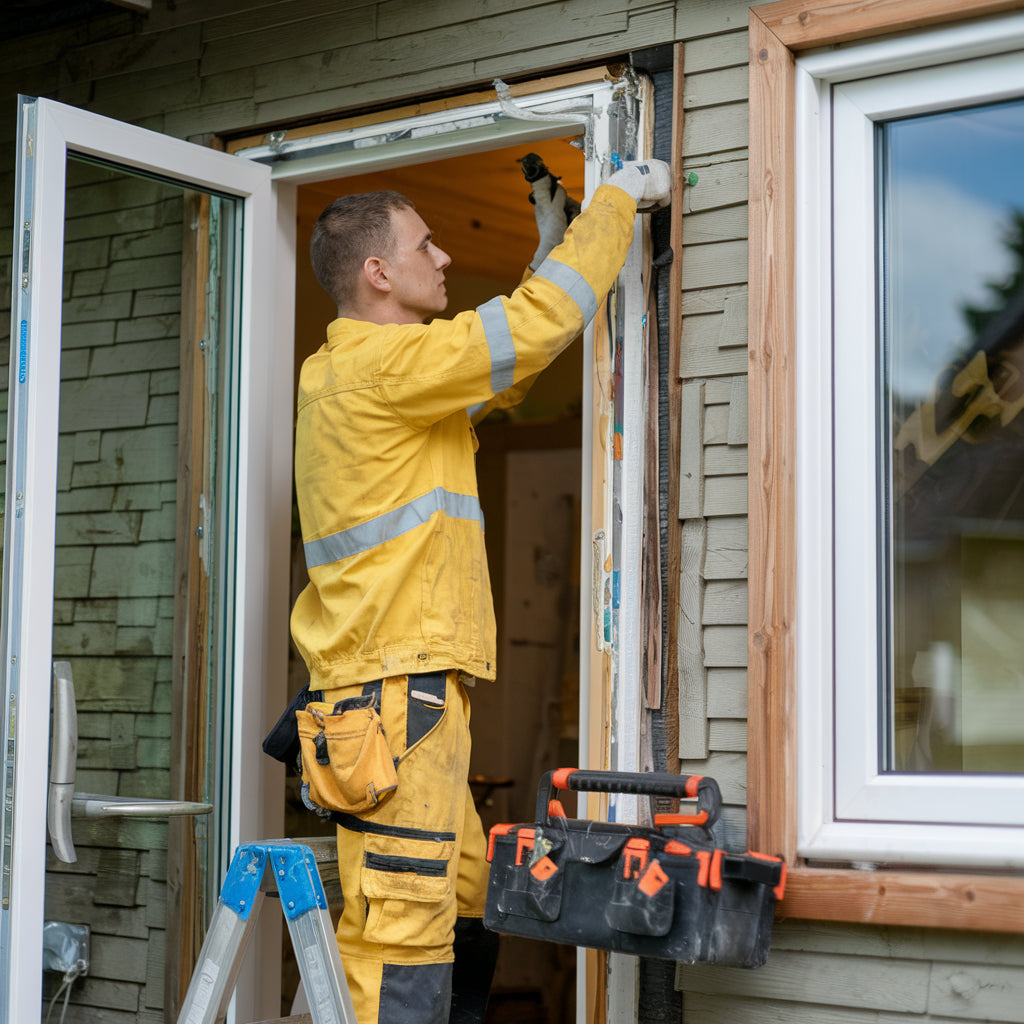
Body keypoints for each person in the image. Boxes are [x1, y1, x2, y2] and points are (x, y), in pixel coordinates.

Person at [290, 156, 672, 1024]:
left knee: (463, 894)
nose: (446, 258)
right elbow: (529, 333)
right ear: (378, 273)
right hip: (395, 697)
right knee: (404, 929)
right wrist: (615, 202)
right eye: (426, 246)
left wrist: (549, 249)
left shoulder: (376, 377)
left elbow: (500, 373)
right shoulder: (381, 369)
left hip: (407, 694)